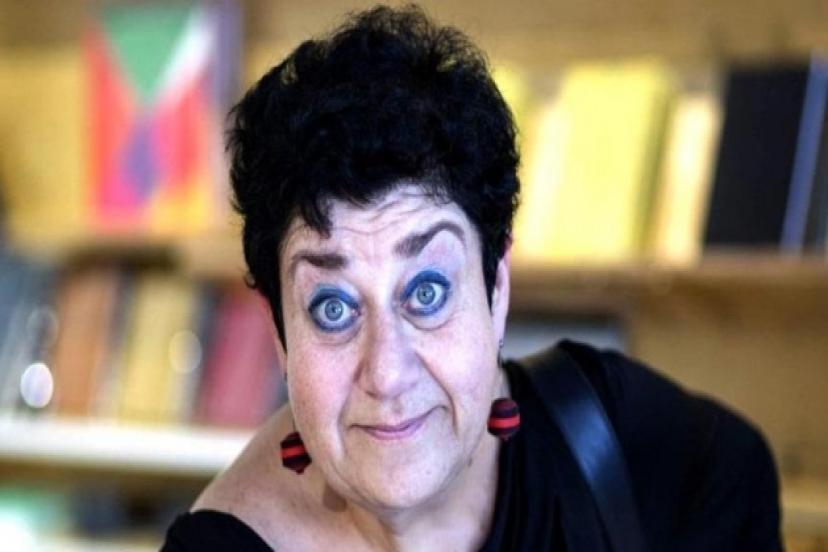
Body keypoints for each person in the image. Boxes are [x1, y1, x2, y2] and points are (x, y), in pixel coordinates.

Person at [162, 5, 782, 550]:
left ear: (496, 289)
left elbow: (738, 472)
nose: (387, 373)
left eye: (427, 293)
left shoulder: (617, 440)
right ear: (279, 336)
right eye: (333, 307)